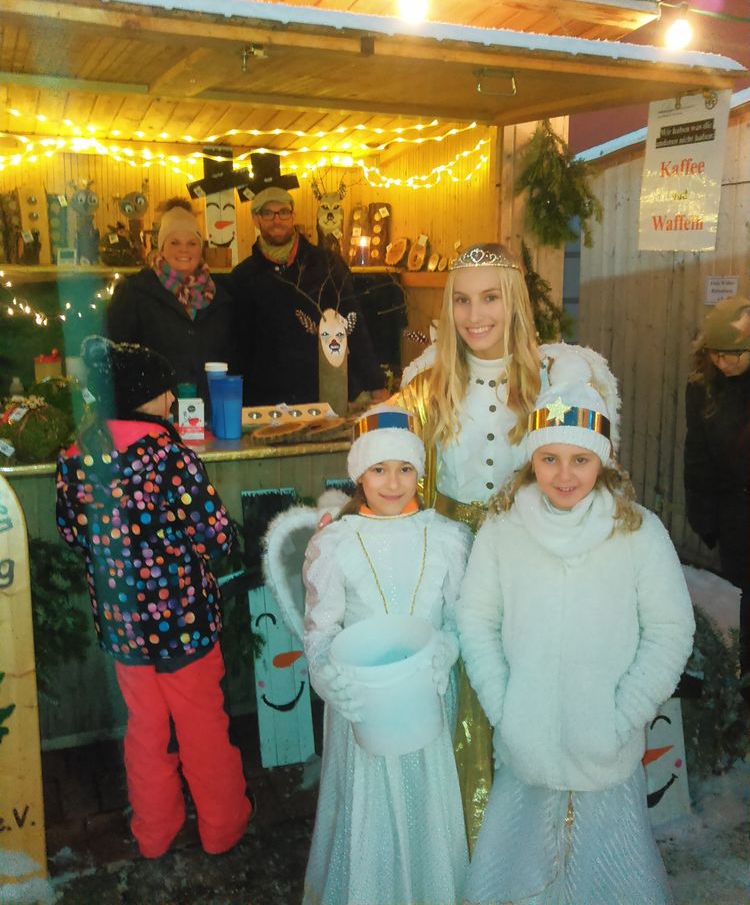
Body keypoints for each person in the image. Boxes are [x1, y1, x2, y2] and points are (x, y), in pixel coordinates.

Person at [397, 241, 620, 846]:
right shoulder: (426, 387)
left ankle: (536, 844)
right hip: (452, 564)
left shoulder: (558, 382)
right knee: (465, 700)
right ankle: (466, 844)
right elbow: (388, 468)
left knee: (532, 689)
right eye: (463, 301)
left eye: (490, 298)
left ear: (514, 301)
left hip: (532, 560)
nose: (476, 316)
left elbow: (588, 473)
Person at [456, 355, 695, 905]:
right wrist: (506, 708)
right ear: (531, 458)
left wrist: (622, 715)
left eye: (580, 460)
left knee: (606, 875)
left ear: (603, 461)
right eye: (550, 458)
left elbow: (670, 630)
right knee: (521, 874)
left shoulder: (638, 533)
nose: (564, 476)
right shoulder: (504, 529)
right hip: (527, 751)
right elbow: (477, 619)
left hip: (604, 751)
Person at [55, 336, 252, 859]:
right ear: (151, 396)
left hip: (123, 628)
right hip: (183, 624)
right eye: (167, 391)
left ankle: (154, 833)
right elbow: (215, 535)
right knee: (202, 727)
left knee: (145, 730)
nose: (172, 400)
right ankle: (222, 828)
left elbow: (72, 534)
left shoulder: (75, 457)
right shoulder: (169, 457)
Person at [301, 405, 471, 905]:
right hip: (364, 702)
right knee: (369, 801)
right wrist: (326, 674)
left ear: (420, 472)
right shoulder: (336, 543)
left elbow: (459, 616)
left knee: (426, 798)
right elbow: (321, 627)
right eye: (379, 469)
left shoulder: (446, 538)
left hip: (425, 699)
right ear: (359, 474)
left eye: (404, 469)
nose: (393, 483)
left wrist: (448, 647)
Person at [230, 185, 386, 406]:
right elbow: (239, 346)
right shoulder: (243, 277)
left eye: (283, 212)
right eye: (268, 213)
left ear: (293, 216)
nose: (277, 220)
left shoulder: (328, 264)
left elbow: (355, 323)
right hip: (268, 400)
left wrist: (376, 383)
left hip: (326, 393)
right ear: (256, 220)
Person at [684, 293, 750, 702]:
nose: (723, 363)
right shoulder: (702, 388)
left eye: (734, 354)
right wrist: (703, 515)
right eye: (716, 354)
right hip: (736, 517)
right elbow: (698, 454)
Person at [107, 197, 234, 402]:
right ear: (162, 247)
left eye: (191, 243)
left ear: (200, 248)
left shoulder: (221, 297)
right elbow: (115, 359)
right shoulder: (135, 292)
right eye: (174, 242)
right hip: (157, 412)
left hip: (211, 411)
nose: (184, 249)